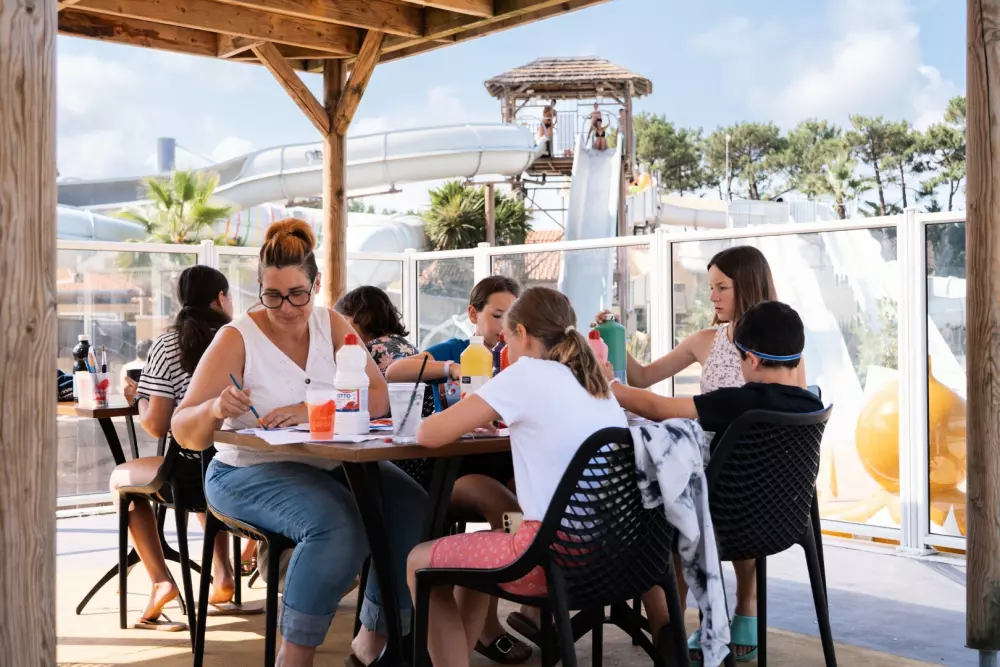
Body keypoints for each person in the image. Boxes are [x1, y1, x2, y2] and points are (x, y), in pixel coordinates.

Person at [171, 219, 426, 667]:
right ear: (259, 287)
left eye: (297, 294)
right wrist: (214, 408)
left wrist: (312, 409)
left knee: (412, 505)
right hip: (245, 471)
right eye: (272, 295)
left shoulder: (333, 323)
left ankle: (373, 640)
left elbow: (379, 396)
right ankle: (294, 656)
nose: (286, 307)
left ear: (317, 284)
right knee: (339, 525)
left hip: (328, 464)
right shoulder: (236, 337)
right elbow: (182, 429)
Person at [592, 245, 803, 661]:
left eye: (722, 287)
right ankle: (678, 618)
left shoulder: (770, 355)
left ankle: (686, 616)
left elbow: (657, 406)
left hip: (742, 486)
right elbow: (644, 377)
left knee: (662, 504)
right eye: (711, 288)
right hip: (756, 490)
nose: (713, 296)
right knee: (683, 491)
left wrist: (607, 386)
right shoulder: (739, 345)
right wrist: (613, 339)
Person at [406, 286, 626, 667]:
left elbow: (429, 434)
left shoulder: (526, 373)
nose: (505, 350)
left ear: (522, 334)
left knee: (419, 561)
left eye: (507, 339)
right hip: (611, 555)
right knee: (476, 552)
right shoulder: (594, 383)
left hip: (549, 560)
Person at [386, 276, 532, 664]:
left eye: (512, 319)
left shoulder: (520, 358)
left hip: (501, 461)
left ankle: (525, 610)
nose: (504, 326)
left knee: (523, 504)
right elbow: (395, 372)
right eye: (497, 315)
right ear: (473, 314)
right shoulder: (457, 350)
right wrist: (451, 369)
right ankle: (490, 624)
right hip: (450, 472)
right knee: (502, 505)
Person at [113, 265, 236, 630]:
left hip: (187, 472)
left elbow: (156, 424)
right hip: (235, 466)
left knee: (122, 484)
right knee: (206, 470)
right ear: (220, 298)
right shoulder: (238, 340)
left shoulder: (169, 344)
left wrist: (139, 398)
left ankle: (161, 581)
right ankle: (223, 573)